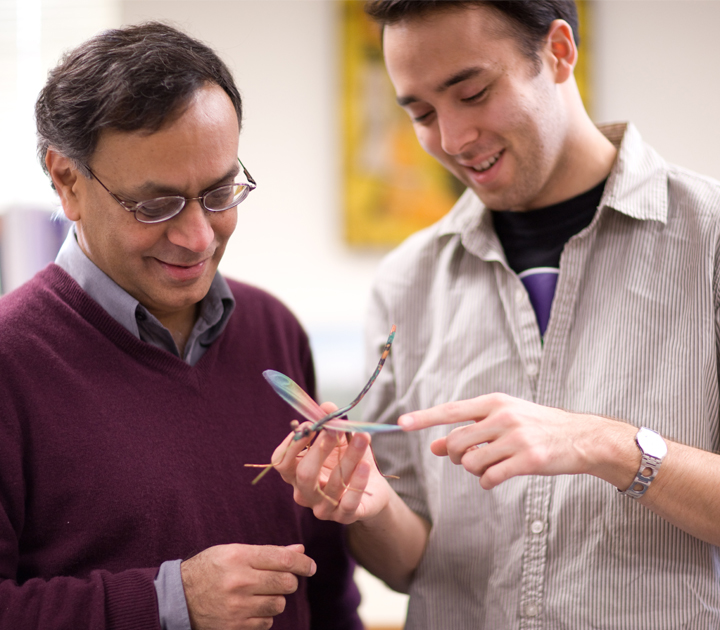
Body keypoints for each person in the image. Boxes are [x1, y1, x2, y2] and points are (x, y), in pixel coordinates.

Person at [272, 1, 720, 628]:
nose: (453, 141)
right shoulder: (407, 282)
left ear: (559, 52)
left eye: (474, 93)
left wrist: (606, 445)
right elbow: (410, 564)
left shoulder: (710, 239)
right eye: (422, 113)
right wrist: (368, 506)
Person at [0, 21, 361, 630]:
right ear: (67, 181)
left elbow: (324, 588)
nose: (197, 238)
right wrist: (172, 601)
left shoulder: (274, 331)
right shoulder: (12, 361)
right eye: (156, 205)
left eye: (220, 193)